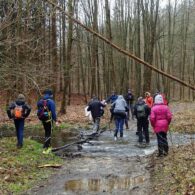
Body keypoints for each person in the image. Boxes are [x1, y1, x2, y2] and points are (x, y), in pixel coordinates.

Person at [37, 89, 57, 154]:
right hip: (49, 119)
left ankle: (45, 145)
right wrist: (56, 120)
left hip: (42, 119)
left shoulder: (40, 101)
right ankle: (47, 149)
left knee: (46, 131)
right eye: (52, 94)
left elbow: (39, 109)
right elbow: (53, 113)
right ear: (50, 94)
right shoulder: (51, 102)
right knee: (49, 133)